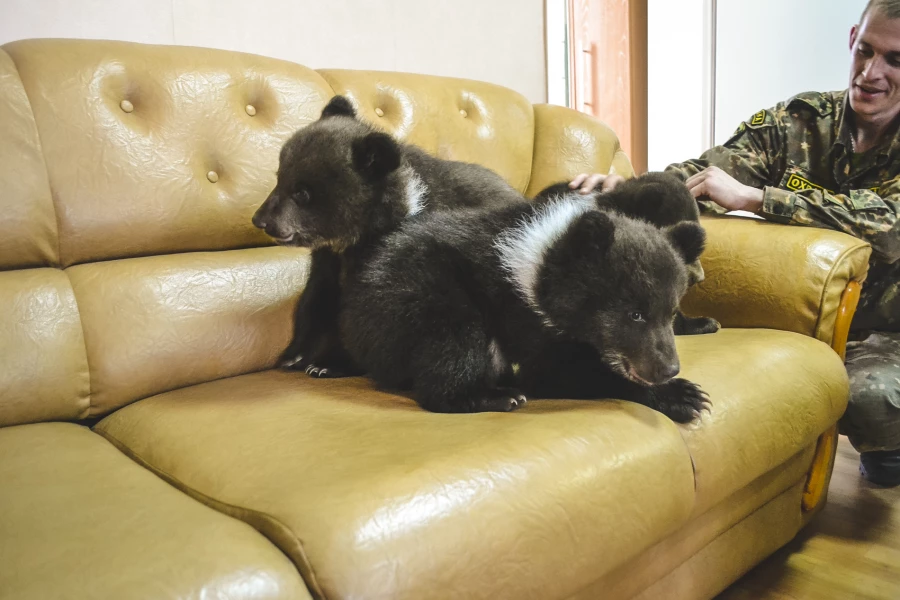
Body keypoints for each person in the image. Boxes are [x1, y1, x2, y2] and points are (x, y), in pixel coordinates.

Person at [569, 0, 900, 486]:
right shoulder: (800, 120)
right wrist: (632, 190)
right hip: (800, 319)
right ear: (852, 38)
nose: (871, 73)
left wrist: (762, 199)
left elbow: (889, 228)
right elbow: (704, 175)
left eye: (895, 60)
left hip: (888, 329)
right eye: (866, 51)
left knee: (871, 403)